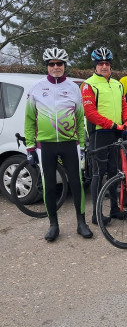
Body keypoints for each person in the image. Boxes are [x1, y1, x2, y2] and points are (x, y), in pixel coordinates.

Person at [25, 47, 92, 241]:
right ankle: (53, 225)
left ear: (64, 65)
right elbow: (29, 119)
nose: (56, 67)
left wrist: (82, 144)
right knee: (49, 185)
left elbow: (80, 118)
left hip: (70, 143)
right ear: (47, 66)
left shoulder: (73, 88)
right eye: (52, 64)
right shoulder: (36, 87)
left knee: (76, 183)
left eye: (59, 63)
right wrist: (30, 147)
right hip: (45, 145)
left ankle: (81, 223)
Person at [81, 47, 127, 225]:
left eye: (107, 63)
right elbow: (90, 113)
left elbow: (124, 106)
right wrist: (112, 124)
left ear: (110, 64)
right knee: (98, 173)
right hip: (99, 134)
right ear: (95, 65)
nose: (104, 66)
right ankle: (96, 215)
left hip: (116, 133)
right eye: (100, 63)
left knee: (114, 171)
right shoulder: (88, 85)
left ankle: (114, 209)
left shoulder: (117, 84)